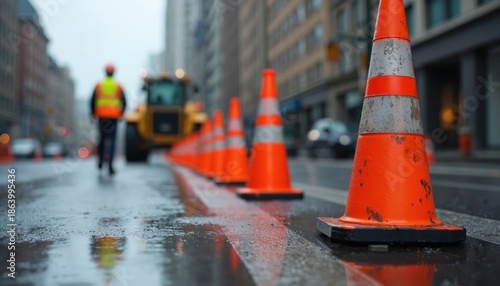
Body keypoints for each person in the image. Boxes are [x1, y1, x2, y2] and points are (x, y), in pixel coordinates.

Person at [90, 64, 127, 175]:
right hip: (113, 118)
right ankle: (110, 164)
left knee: (101, 140)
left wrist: (92, 113)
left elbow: (92, 100)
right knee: (111, 140)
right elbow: (124, 102)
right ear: (114, 73)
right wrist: (121, 113)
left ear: (105, 72)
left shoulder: (99, 85)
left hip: (102, 117)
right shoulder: (118, 86)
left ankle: (101, 161)